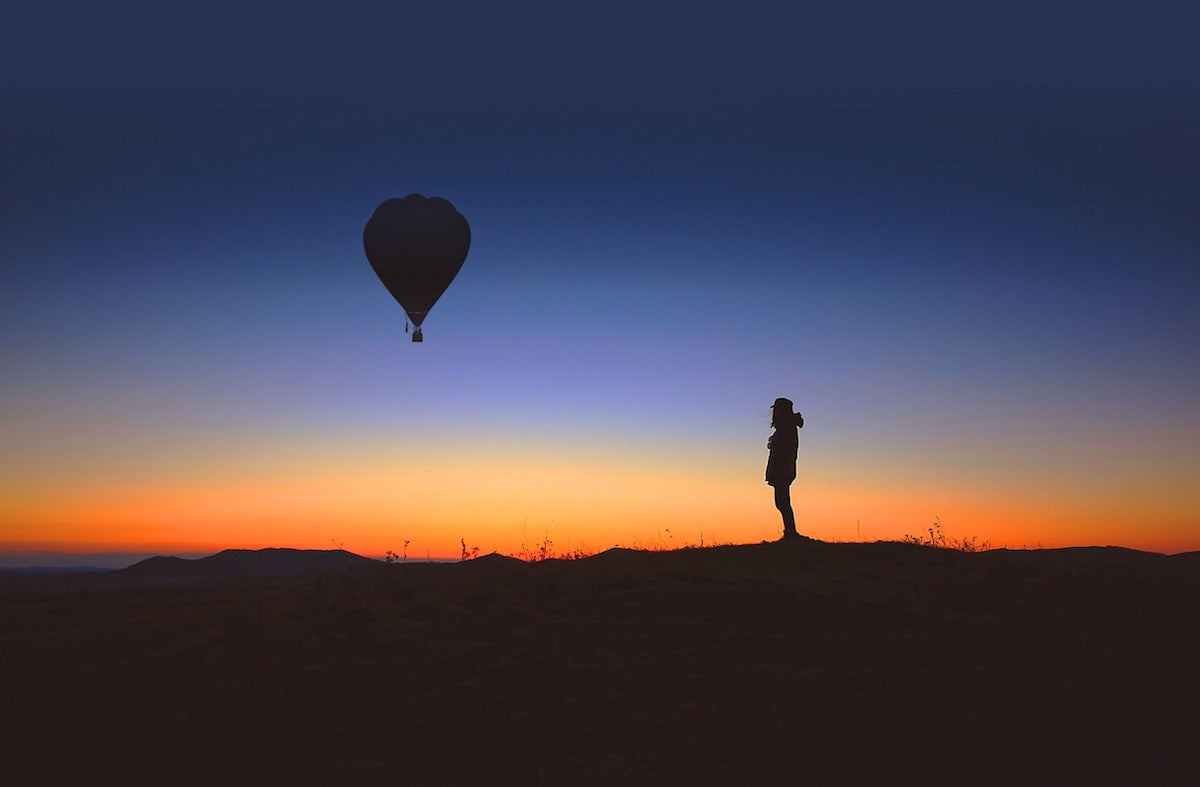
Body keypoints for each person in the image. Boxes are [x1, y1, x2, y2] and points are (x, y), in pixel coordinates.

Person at [766, 397, 805, 540]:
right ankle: (790, 532)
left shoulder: (787, 428)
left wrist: (786, 469)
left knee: (782, 502)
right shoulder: (785, 427)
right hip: (781, 469)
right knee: (782, 502)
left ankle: (791, 533)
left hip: (782, 469)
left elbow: (789, 450)